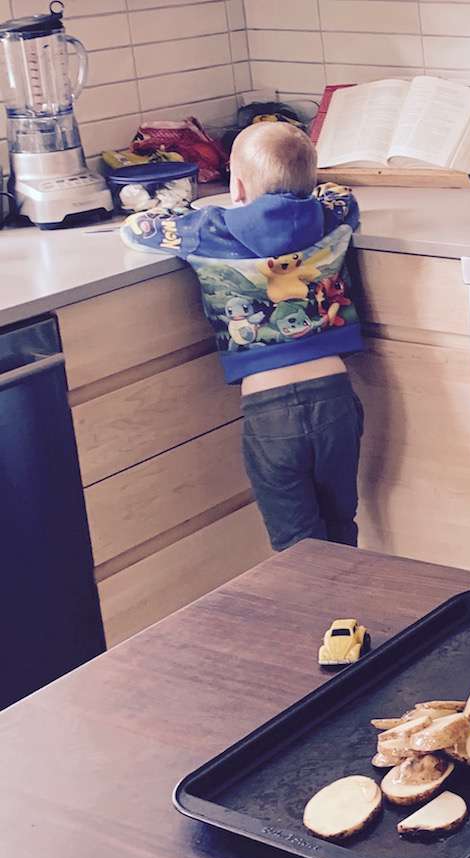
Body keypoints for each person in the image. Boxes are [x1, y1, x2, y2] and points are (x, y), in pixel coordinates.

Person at [120, 121, 366, 552]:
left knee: (297, 545)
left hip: (270, 413)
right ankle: (350, 616)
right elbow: (343, 195)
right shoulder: (332, 216)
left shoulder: (207, 231)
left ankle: (312, 618)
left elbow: (139, 228)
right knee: (341, 524)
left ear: (236, 186)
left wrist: (181, 211)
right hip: (335, 401)